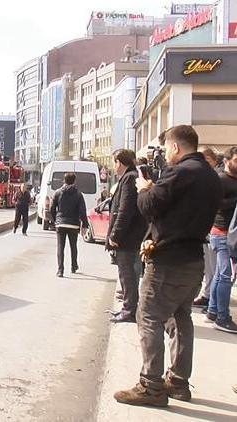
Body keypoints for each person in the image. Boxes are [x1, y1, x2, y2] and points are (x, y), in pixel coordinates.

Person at [114, 125, 221, 407]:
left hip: (167, 260)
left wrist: (144, 189)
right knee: (180, 318)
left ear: (175, 147)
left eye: (167, 149)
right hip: (193, 258)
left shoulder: (180, 173)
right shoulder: (211, 175)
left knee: (148, 317)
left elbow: (148, 206)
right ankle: (179, 382)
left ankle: (151, 385)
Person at [107, 149, 147, 324]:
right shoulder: (128, 177)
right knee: (125, 273)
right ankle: (127, 307)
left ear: (119, 163)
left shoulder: (129, 178)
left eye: (114, 162)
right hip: (129, 236)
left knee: (128, 274)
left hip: (128, 237)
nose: (113, 166)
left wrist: (115, 234)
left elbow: (125, 210)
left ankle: (129, 310)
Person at [204, 146, 237, 333]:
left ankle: (213, 311)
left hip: (228, 233)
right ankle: (222, 317)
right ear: (226, 161)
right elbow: (213, 204)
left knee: (220, 274)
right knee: (226, 275)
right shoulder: (220, 179)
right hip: (222, 233)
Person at [193, 147, 220, 308]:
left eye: (207, 161)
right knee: (208, 266)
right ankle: (208, 294)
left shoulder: (216, 176)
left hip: (216, 228)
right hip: (208, 227)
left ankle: (210, 297)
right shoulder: (205, 176)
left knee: (215, 267)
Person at [50, 173, 89, 277]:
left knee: (60, 247)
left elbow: (51, 208)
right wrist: (85, 224)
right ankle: (74, 266)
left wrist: (55, 220)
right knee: (73, 246)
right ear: (74, 181)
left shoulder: (58, 193)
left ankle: (60, 270)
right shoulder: (78, 194)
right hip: (73, 224)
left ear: (64, 180)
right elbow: (82, 211)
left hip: (60, 224)